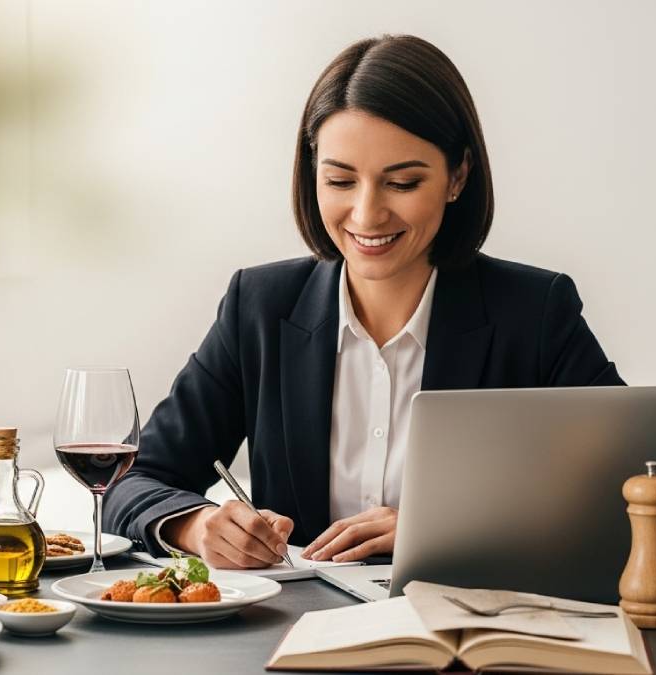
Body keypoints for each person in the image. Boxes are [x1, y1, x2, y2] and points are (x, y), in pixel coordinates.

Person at [102, 34, 624, 570]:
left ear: (458, 176)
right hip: (289, 638)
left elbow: (637, 489)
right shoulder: (257, 307)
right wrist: (195, 524)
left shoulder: (534, 314)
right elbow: (131, 480)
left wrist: (446, 527)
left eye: (402, 182)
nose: (367, 214)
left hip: (463, 634)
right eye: (340, 180)